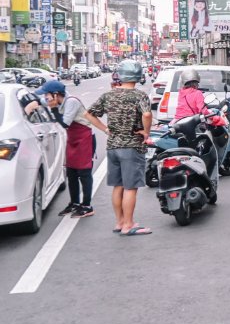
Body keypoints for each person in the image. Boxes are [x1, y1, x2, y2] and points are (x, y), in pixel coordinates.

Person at [85, 59, 153, 236]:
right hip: (132, 147)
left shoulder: (109, 95)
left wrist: (105, 129)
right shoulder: (139, 95)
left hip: (113, 147)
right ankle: (128, 225)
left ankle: (119, 222)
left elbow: (88, 114)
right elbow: (146, 114)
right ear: (138, 75)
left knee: (118, 185)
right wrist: (146, 132)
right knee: (131, 187)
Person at [37, 81, 97, 218]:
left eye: (47, 94)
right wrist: (33, 101)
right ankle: (75, 203)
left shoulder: (72, 102)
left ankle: (87, 206)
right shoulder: (55, 100)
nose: (45, 97)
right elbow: (39, 100)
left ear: (56, 94)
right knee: (71, 172)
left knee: (84, 173)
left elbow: (65, 123)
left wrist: (52, 109)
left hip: (85, 138)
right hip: (73, 139)